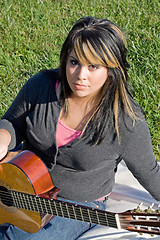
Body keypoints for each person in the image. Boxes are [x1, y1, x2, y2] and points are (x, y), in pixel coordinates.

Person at [0, 16, 159, 240]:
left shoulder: (126, 121)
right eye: (74, 62)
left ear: (112, 69)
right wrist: (3, 137)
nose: (80, 76)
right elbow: (12, 122)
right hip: (21, 182)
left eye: (93, 66)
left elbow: (150, 172)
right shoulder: (42, 86)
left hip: (77, 204)